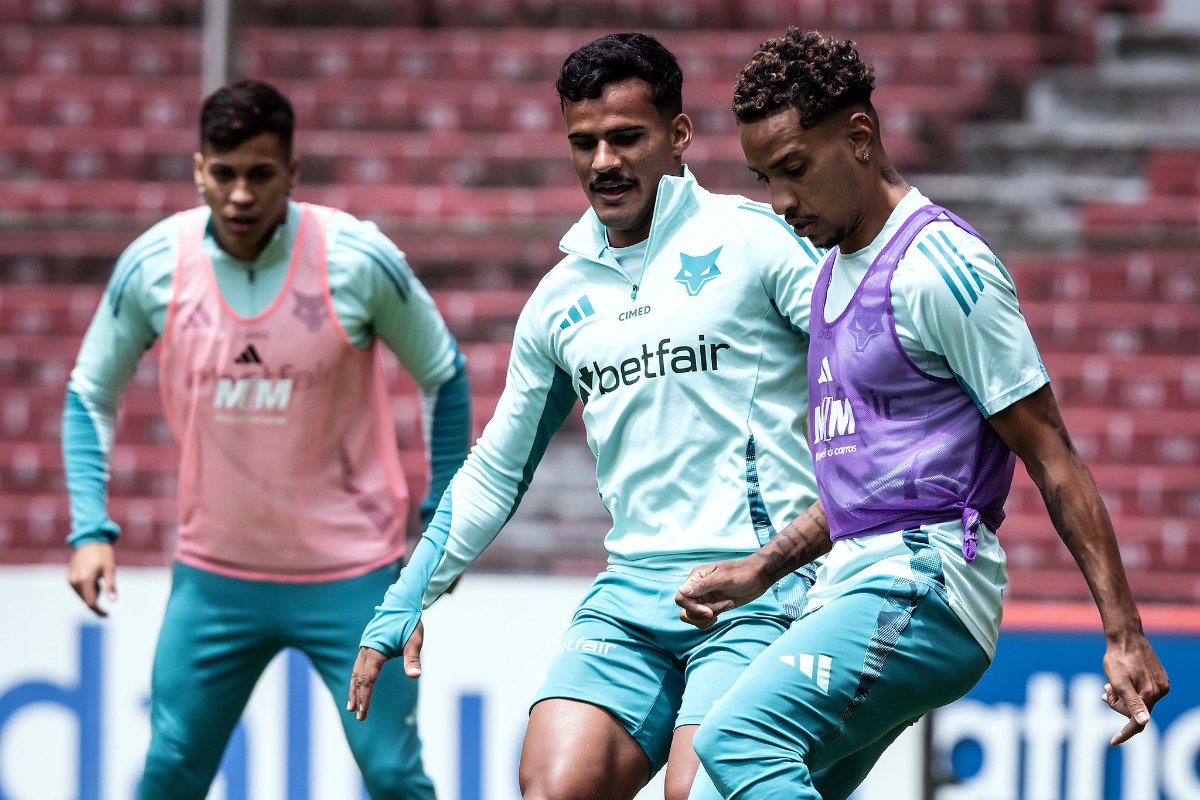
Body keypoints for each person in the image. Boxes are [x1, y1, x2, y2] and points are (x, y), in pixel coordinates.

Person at [674, 29, 1170, 800]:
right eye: (765, 177)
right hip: (858, 578)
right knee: (714, 792)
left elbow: (1053, 456)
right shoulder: (831, 273)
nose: (782, 201)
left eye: (796, 170)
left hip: (927, 582)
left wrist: (1123, 633)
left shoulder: (943, 269)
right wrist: (760, 570)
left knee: (735, 737)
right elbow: (864, 485)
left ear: (861, 138)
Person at [347, 33, 825, 800]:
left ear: (678, 135)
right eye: (584, 141)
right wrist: (409, 598)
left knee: (700, 795)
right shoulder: (559, 299)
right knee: (553, 788)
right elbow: (498, 467)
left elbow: (868, 373)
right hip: (632, 596)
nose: (604, 161)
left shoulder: (756, 242)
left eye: (627, 137)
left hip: (761, 587)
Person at [63, 79, 470, 799]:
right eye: (224, 174)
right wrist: (90, 528)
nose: (242, 194)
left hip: (357, 577)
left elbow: (445, 375)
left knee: (394, 776)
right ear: (198, 171)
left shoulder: (356, 259)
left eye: (260, 174)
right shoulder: (157, 264)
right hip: (216, 578)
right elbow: (89, 392)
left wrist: (441, 518)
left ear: (293, 173)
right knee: (169, 772)